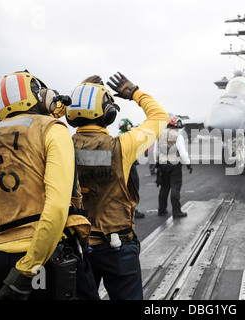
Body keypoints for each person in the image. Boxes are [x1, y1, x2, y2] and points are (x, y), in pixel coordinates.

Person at [0, 70, 97, 300]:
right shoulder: (51, 128)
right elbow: (55, 208)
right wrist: (27, 269)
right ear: (34, 96)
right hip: (45, 257)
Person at [65, 72, 169, 300]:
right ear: (109, 114)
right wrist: (134, 93)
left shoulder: (60, 145)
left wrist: (81, 93)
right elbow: (160, 117)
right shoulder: (122, 146)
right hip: (117, 246)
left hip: (77, 246)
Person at [155, 116, 192, 218]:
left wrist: (157, 163)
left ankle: (161, 210)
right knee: (175, 187)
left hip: (163, 164)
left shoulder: (160, 135)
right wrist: (188, 163)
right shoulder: (178, 136)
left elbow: (156, 151)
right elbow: (182, 151)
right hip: (175, 165)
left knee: (164, 188)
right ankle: (176, 211)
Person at [118, 118, 144, 218]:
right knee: (134, 187)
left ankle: (123, 210)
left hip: (120, 165)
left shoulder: (118, 135)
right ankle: (132, 210)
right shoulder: (127, 136)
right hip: (129, 165)